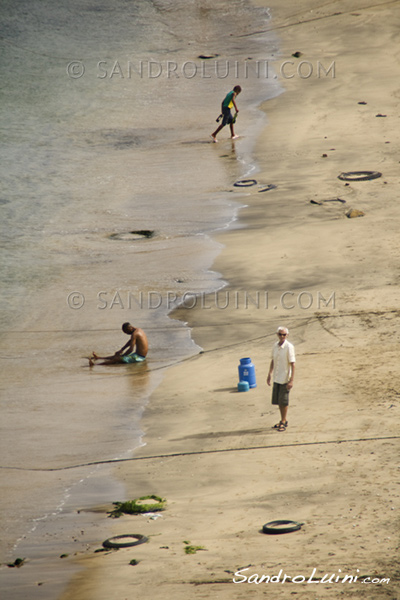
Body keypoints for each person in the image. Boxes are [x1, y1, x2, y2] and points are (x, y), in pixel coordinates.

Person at [266, 326, 295, 432]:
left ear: (287, 335)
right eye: (280, 334)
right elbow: (273, 360)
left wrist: (291, 380)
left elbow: (293, 364)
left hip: (285, 378)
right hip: (277, 377)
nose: (282, 336)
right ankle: (283, 419)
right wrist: (269, 373)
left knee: (283, 401)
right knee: (278, 400)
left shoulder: (289, 347)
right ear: (277, 335)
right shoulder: (275, 346)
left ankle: (283, 420)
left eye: (284, 334)